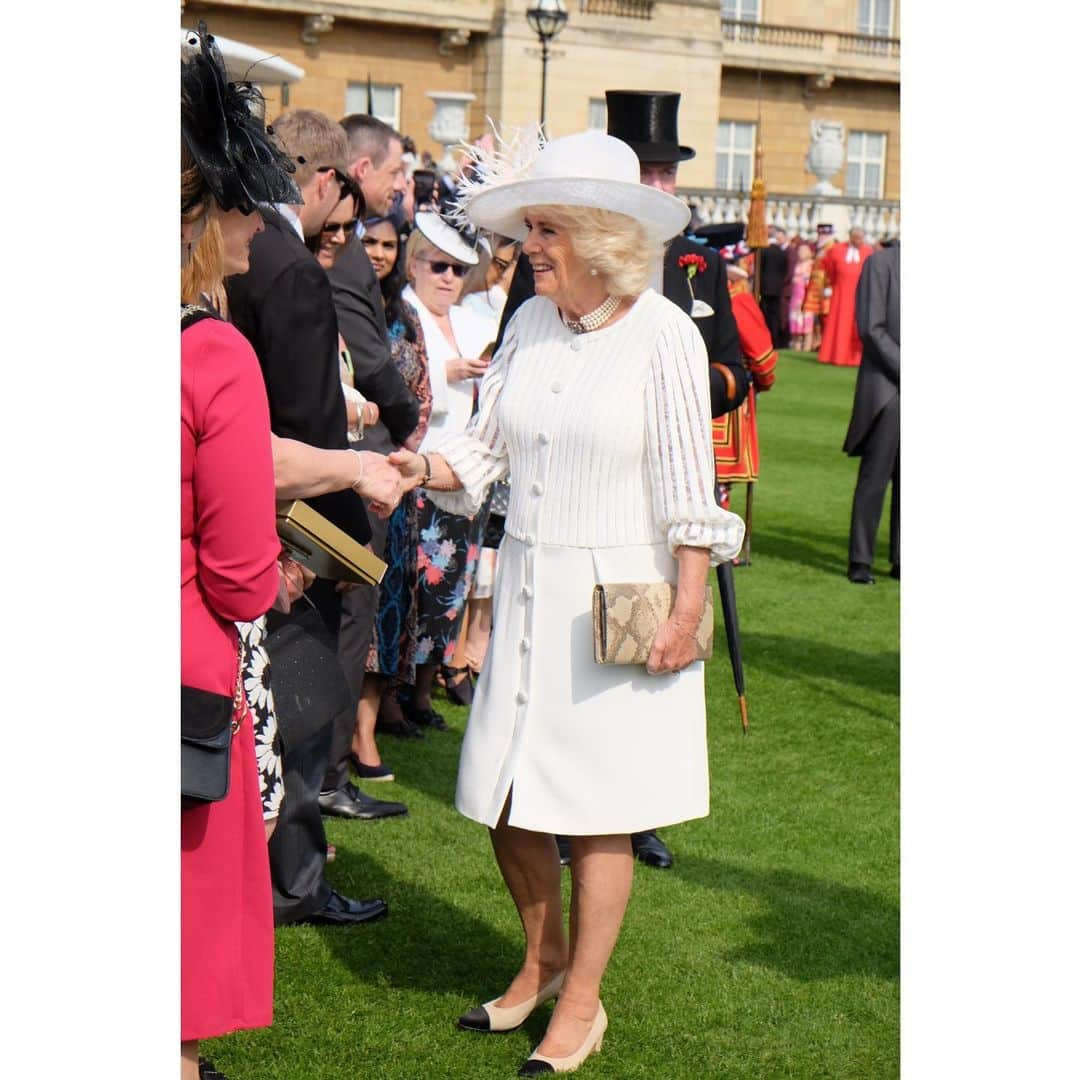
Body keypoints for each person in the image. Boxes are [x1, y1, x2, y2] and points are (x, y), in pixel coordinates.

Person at [388, 129, 744, 1075]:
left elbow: (687, 489)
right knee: (506, 799)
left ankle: (580, 1004)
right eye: (528, 228)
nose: (528, 247)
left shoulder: (664, 333)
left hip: (619, 598)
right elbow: (488, 447)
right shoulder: (532, 322)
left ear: (598, 235)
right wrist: (417, 466)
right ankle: (542, 961)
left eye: (546, 229)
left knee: (597, 812)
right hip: (533, 591)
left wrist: (684, 609)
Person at [225, 107, 404, 926]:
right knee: (296, 701)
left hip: (233, 506)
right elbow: (298, 423)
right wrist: (299, 552)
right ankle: (292, 882)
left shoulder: (236, 249)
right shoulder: (289, 265)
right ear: (328, 180)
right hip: (291, 519)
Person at [180, 25, 295, 1078]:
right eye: (242, 203)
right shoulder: (211, 352)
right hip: (183, 682)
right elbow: (239, 570)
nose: (259, 226)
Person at [330, 114, 427, 756]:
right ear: (362, 169)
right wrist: (407, 417)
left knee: (357, 609)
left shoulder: (349, 245)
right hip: (358, 449)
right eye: (396, 171)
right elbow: (371, 359)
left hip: (367, 443)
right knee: (347, 613)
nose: (402, 185)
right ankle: (329, 770)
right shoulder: (343, 255)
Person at [400, 210, 494, 728]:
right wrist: (445, 372)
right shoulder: (405, 312)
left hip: (466, 473)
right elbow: (394, 376)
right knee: (415, 588)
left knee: (453, 587)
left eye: (458, 270)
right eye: (438, 266)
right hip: (422, 467)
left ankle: (423, 688)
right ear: (415, 265)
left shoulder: (472, 319)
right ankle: (398, 693)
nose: (448, 279)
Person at [351, 211, 434, 776]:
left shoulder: (406, 315)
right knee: (357, 602)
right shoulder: (341, 302)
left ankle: (377, 715)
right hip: (347, 463)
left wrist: (406, 453)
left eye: (387, 244)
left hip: (399, 471)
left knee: (392, 607)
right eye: (369, 242)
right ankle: (354, 735)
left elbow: (421, 392)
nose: (378, 253)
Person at [844, 240, 900, 584]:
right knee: (875, 479)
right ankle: (860, 559)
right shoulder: (881, 264)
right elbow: (870, 327)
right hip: (887, 388)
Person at [713, 250, 778, 523]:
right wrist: (763, 383)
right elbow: (763, 358)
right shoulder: (737, 297)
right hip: (727, 394)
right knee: (717, 481)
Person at [818, 226, 874, 366]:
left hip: (861, 294)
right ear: (850, 237)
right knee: (839, 325)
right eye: (856, 238)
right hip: (841, 295)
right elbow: (828, 269)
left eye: (861, 238)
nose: (859, 241)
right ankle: (835, 356)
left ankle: (856, 358)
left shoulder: (869, 251)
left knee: (857, 325)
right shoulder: (836, 250)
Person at [759, 225, 789, 348]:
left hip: (764, 286)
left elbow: (760, 269)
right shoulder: (782, 252)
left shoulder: (763, 251)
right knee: (775, 315)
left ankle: (765, 340)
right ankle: (775, 341)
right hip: (777, 287)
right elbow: (784, 270)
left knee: (764, 314)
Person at [788, 242, 815, 351]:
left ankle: (807, 347)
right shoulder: (797, 264)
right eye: (799, 251)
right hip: (795, 296)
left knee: (807, 323)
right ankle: (797, 347)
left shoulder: (811, 264)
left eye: (803, 251)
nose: (801, 253)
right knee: (796, 322)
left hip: (806, 296)